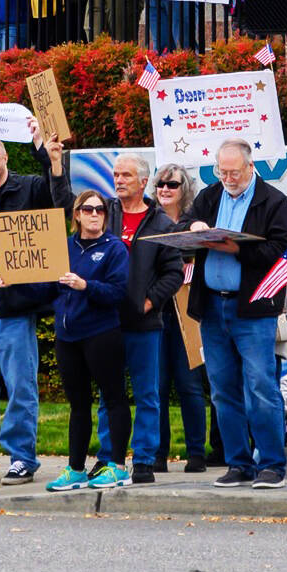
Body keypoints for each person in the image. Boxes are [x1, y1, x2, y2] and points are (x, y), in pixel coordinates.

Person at [0, 120, 70, 484]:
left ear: (5, 157)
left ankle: (23, 457)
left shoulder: (31, 188)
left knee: (21, 387)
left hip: (16, 308)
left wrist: (49, 157)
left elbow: (61, 205)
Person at [183, 137, 287, 488]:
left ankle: (272, 465)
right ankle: (238, 462)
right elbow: (183, 224)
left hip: (253, 309)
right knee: (221, 389)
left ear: (250, 167)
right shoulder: (209, 196)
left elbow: (282, 249)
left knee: (260, 387)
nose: (228, 178)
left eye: (234, 171)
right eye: (222, 171)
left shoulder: (272, 200)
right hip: (212, 306)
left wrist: (237, 249)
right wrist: (193, 229)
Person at [44, 188, 133, 491]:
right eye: (88, 209)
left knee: (114, 398)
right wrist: (7, 283)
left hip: (101, 333)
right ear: (77, 214)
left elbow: (118, 292)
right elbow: (46, 290)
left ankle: (118, 467)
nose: (94, 214)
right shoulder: (63, 247)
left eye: (100, 210)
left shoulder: (114, 248)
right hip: (67, 335)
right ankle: (76, 468)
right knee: (78, 404)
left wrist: (86, 286)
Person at [102, 154, 182, 485]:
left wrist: (150, 301)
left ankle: (145, 459)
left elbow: (174, 271)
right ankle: (109, 458)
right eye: (116, 174)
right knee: (109, 394)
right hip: (105, 321)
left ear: (142, 181)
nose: (119, 180)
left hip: (144, 324)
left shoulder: (161, 223)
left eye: (126, 175)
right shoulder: (103, 214)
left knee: (147, 394)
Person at [149, 162, 210, 472]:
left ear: (184, 189)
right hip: (157, 308)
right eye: (160, 183)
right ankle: (158, 454)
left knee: (190, 385)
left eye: (172, 184)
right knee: (156, 385)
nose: (164, 189)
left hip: (186, 309)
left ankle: (196, 453)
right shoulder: (150, 220)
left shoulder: (194, 222)